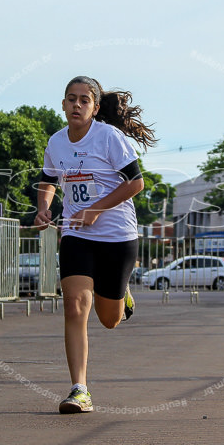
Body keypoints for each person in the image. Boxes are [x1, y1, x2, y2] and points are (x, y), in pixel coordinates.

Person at [33, 76, 156, 414]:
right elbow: (47, 181)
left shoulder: (109, 137)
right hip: (76, 233)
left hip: (117, 236)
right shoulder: (56, 142)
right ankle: (79, 389)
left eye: (84, 100)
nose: (76, 105)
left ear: (95, 107)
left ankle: (122, 292)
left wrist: (96, 209)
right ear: (63, 104)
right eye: (70, 99)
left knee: (109, 319)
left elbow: (136, 183)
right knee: (74, 306)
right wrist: (44, 208)